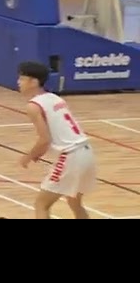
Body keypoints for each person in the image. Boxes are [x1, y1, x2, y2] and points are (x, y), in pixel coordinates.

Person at [17, 60, 96, 219]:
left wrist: (29, 156)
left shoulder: (33, 106)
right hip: (87, 152)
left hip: (71, 155)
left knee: (42, 204)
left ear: (34, 82)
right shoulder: (55, 98)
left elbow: (44, 140)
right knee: (74, 202)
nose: (18, 82)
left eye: (22, 78)